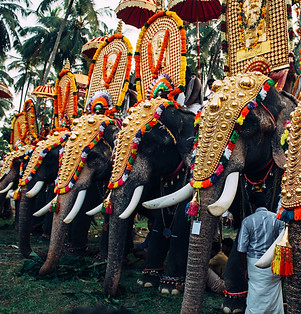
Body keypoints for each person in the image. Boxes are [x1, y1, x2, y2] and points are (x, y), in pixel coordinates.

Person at [237, 191, 285, 314]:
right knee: (273, 293)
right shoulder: (278, 219)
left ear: (252, 205)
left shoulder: (247, 221)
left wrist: (245, 268)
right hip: (273, 264)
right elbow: (283, 243)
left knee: (255, 294)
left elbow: (241, 249)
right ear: (266, 204)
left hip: (254, 263)